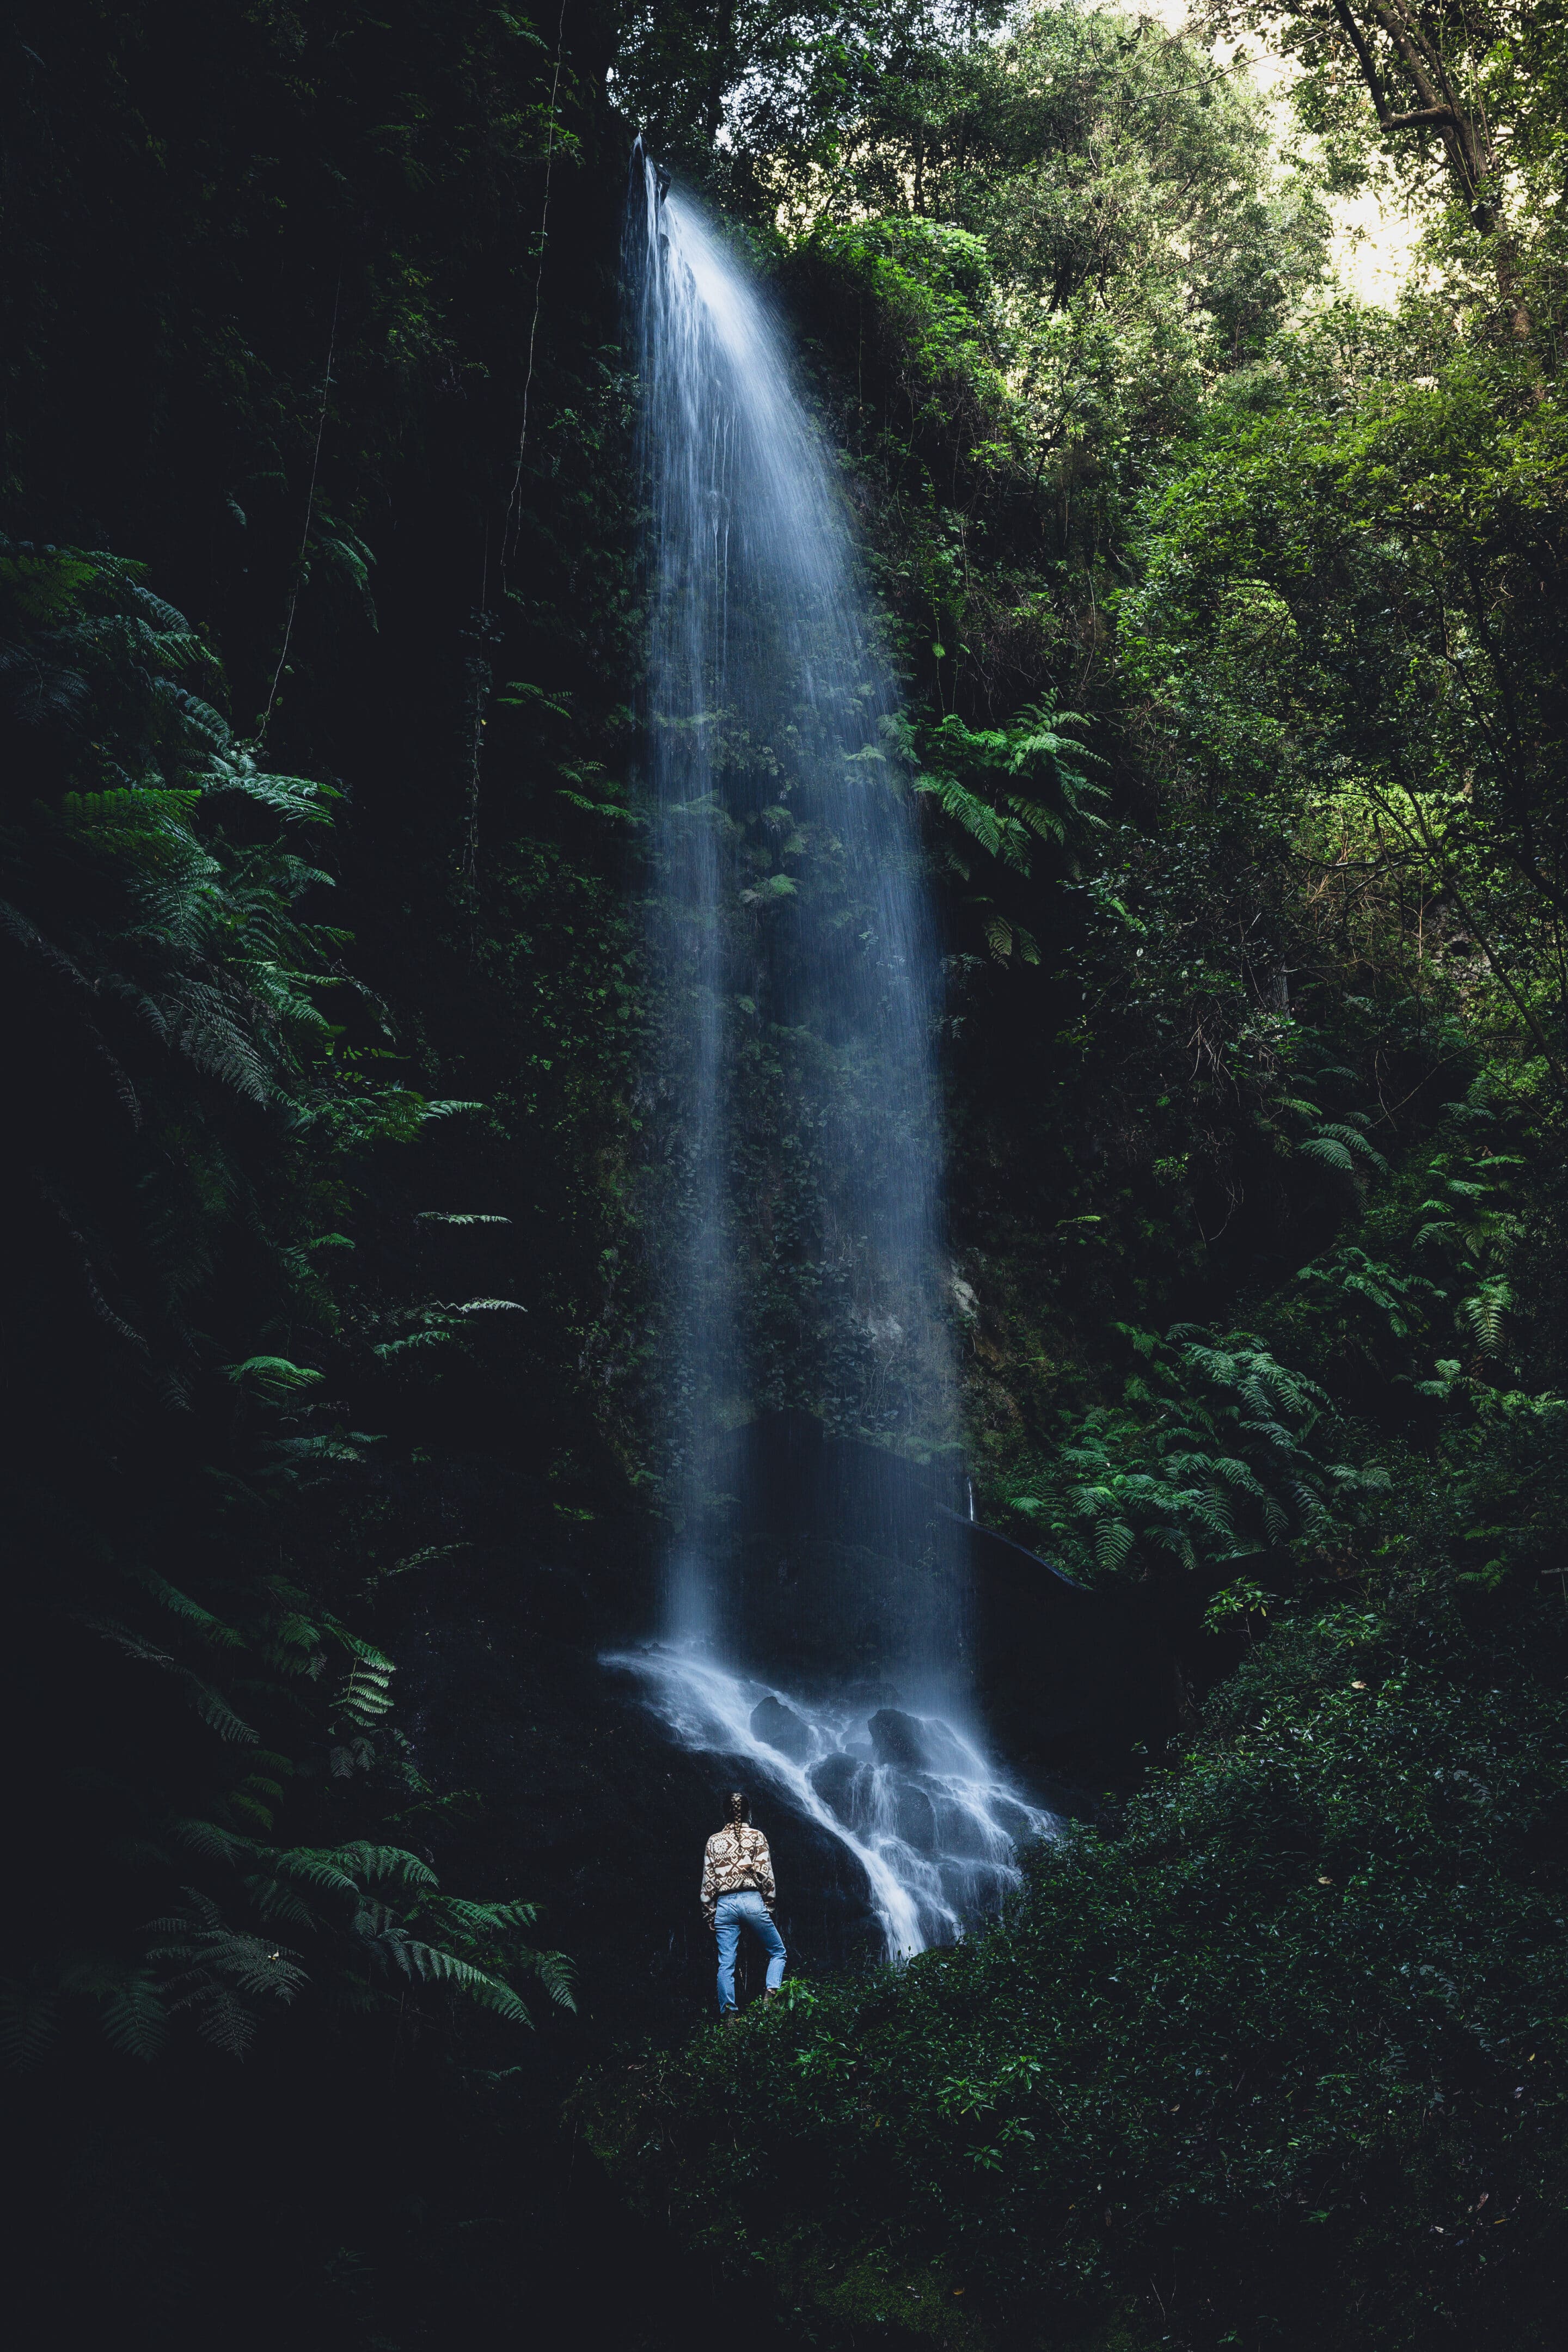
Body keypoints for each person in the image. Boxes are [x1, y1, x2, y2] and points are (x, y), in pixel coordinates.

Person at [701, 1788, 786, 2017]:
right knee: (778, 1952)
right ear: (748, 1813)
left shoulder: (713, 1841)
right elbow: (766, 1874)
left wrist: (710, 1913)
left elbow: (709, 1880)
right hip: (752, 1900)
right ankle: (770, 1995)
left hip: (724, 1906)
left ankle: (730, 2017)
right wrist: (768, 1905)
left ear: (725, 1815)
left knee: (726, 1965)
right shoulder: (757, 1836)